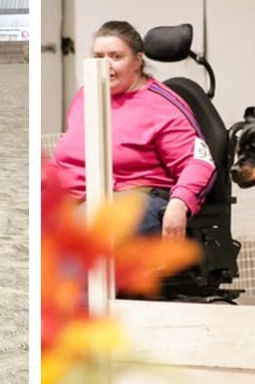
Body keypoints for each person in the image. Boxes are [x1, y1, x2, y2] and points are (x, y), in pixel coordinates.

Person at [48, 20, 215, 239]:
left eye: (116, 57)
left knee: (75, 237)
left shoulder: (161, 106)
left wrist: (179, 202)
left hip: (136, 196)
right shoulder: (86, 95)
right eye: (99, 57)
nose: (105, 65)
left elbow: (199, 163)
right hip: (79, 195)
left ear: (137, 61)